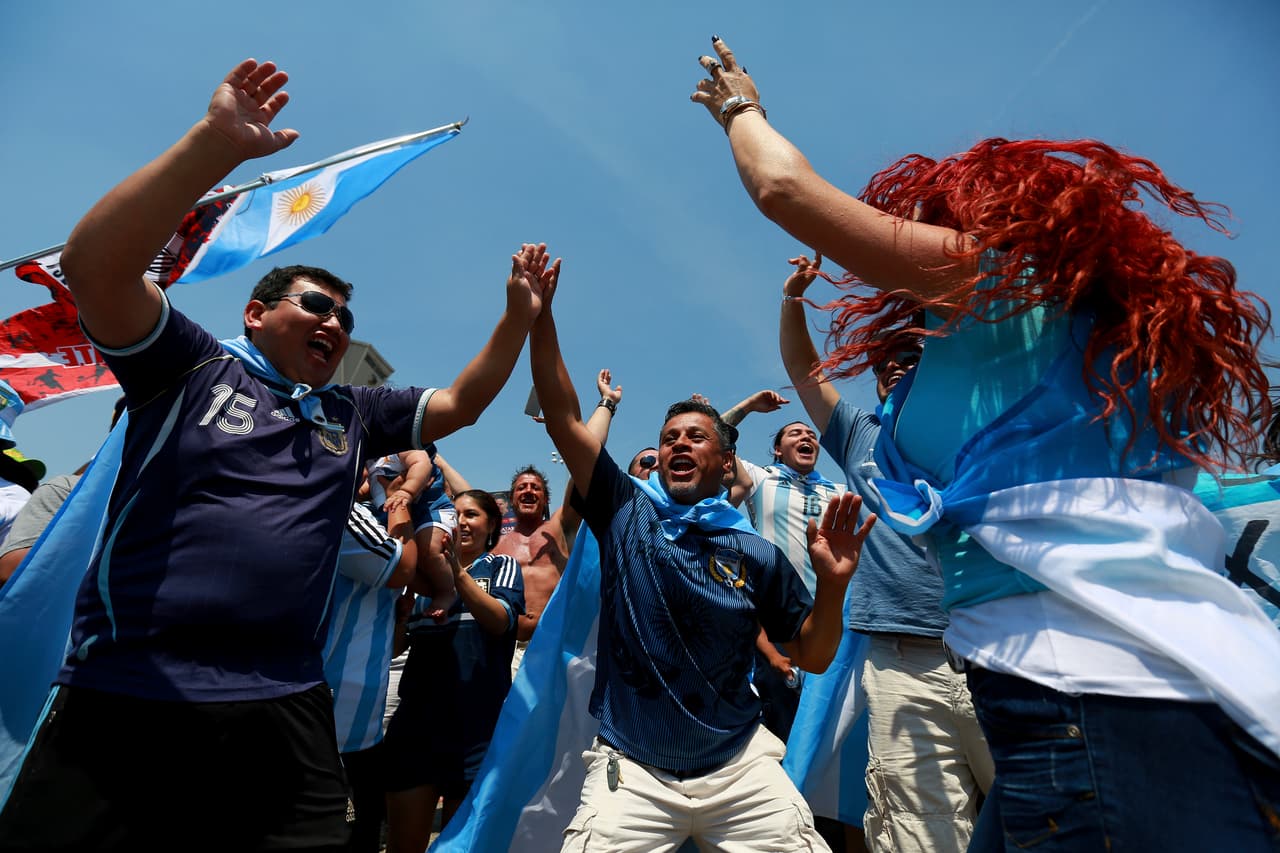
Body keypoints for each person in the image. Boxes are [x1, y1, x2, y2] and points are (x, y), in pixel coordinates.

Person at [691, 36, 1280, 851]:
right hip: (1130, 702)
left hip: (1086, 705)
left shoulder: (1004, 284)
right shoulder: (1099, 365)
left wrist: (740, 108)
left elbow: (783, 187)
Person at [0, 59, 554, 851]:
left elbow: (461, 406)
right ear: (256, 314)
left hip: (286, 700)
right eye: (316, 305)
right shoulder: (188, 366)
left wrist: (518, 317)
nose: (334, 322)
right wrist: (214, 145)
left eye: (345, 315)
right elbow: (96, 268)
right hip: (129, 692)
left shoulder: (352, 410)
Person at [528, 264, 876, 852]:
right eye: (669, 439)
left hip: (743, 770)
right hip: (632, 774)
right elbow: (563, 417)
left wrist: (833, 584)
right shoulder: (625, 515)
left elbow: (812, 656)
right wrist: (542, 316)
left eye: (696, 437)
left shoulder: (756, 553)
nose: (678, 445)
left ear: (724, 465)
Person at [775, 256, 992, 853]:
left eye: (912, 356)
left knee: (1037, 820)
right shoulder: (861, 438)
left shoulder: (986, 425)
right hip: (898, 664)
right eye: (884, 362)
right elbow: (802, 368)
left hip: (993, 652)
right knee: (921, 835)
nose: (895, 367)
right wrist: (793, 301)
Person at [383, 489, 524, 853]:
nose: (460, 522)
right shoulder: (424, 580)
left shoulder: (501, 567)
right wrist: (401, 619)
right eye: (454, 514)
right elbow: (398, 649)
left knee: (462, 847)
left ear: (492, 525)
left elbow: (500, 623)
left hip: (475, 733)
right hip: (417, 729)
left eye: (472, 515)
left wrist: (458, 576)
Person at [494, 369, 622, 676]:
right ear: (512, 499)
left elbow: (586, 458)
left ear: (545, 498)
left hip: (553, 646)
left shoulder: (557, 529)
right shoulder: (495, 540)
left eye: (535, 487)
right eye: (521, 488)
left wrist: (607, 403)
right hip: (500, 647)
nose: (528, 490)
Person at [322, 499, 419, 853]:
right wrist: (402, 498)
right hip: (337, 728)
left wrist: (401, 619)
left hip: (360, 727)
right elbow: (404, 568)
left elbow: (388, 646)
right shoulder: (344, 509)